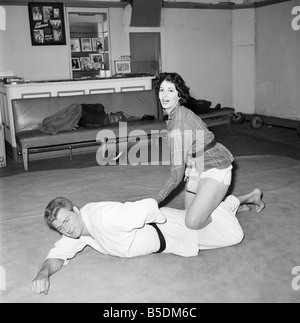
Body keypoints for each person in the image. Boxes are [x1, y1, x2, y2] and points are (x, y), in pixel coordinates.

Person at [31, 188, 265, 295]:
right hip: (169, 240)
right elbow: (58, 254)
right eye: (60, 227)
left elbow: (146, 207)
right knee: (216, 228)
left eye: (67, 220)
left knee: (234, 236)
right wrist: (43, 274)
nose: (67, 228)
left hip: (169, 229)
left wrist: (159, 218)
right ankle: (231, 208)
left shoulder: (105, 218)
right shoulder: (77, 231)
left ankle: (238, 199)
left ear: (75, 209)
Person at [153, 72, 249, 230]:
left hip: (215, 168)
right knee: (189, 214)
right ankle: (239, 203)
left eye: (170, 90)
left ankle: (236, 204)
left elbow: (176, 174)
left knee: (192, 223)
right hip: (197, 166)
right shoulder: (175, 113)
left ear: (179, 94)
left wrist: (155, 200)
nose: (164, 95)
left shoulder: (179, 120)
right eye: (161, 90)